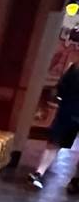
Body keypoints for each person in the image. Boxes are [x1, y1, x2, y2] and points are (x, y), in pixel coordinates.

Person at [28, 62, 79, 193]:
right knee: (54, 144)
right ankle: (76, 182)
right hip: (71, 110)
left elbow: (61, 87)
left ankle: (39, 172)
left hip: (68, 110)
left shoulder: (75, 67)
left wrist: (63, 100)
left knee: (54, 144)